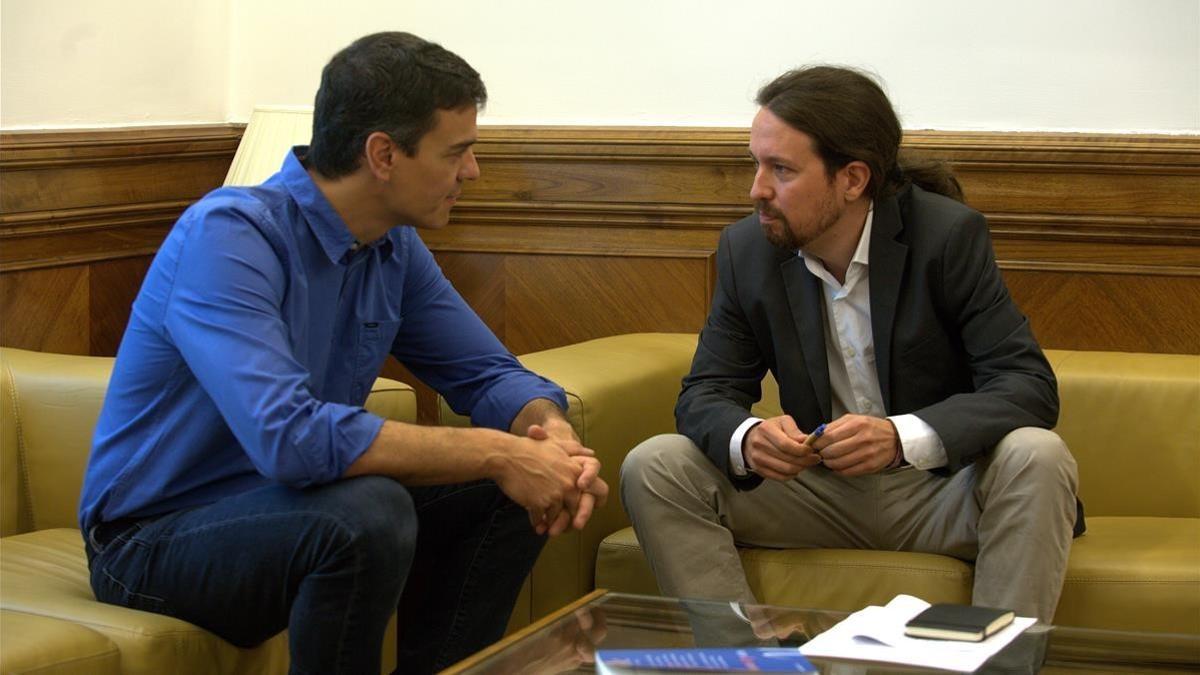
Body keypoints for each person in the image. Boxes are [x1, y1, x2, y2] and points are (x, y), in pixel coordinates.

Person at [78, 31, 607, 675]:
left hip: (295, 510)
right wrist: (502, 451)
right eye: (458, 152)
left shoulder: (392, 246)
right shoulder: (230, 235)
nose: (473, 172)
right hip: (152, 543)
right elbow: (289, 438)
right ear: (383, 154)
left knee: (502, 495)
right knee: (367, 511)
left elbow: (488, 373)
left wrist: (546, 436)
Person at [620, 65, 1082, 623]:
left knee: (1039, 453)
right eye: (756, 164)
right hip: (817, 490)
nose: (757, 190)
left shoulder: (946, 237)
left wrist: (898, 437)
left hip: (937, 492)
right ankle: (744, 664)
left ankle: (1000, 665)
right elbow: (706, 392)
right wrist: (748, 437)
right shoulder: (749, 251)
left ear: (853, 179)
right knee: (656, 463)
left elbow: (1027, 387)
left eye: (782, 170)